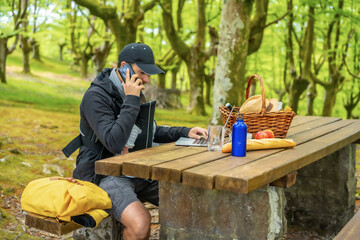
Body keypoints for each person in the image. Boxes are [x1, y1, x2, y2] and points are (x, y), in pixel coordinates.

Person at [62, 42, 207, 240]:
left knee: (188, 203)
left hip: (138, 170)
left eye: (149, 74)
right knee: (140, 224)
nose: (146, 79)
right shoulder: (96, 97)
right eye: (142, 73)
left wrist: (186, 131)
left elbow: (150, 131)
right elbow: (113, 142)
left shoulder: (132, 92)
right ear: (124, 66)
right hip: (104, 174)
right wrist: (131, 100)